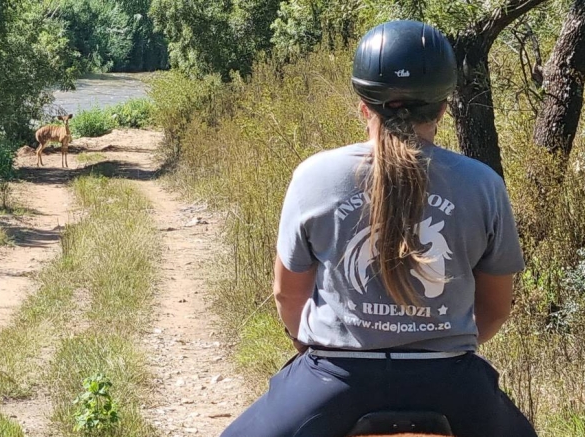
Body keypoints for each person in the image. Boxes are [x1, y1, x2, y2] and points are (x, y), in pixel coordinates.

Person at [221, 20, 537, 437]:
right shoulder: (483, 184)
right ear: (443, 106)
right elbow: (495, 309)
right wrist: (436, 342)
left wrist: (313, 352)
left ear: (363, 104)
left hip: (334, 378)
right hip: (451, 381)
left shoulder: (315, 176)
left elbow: (287, 294)